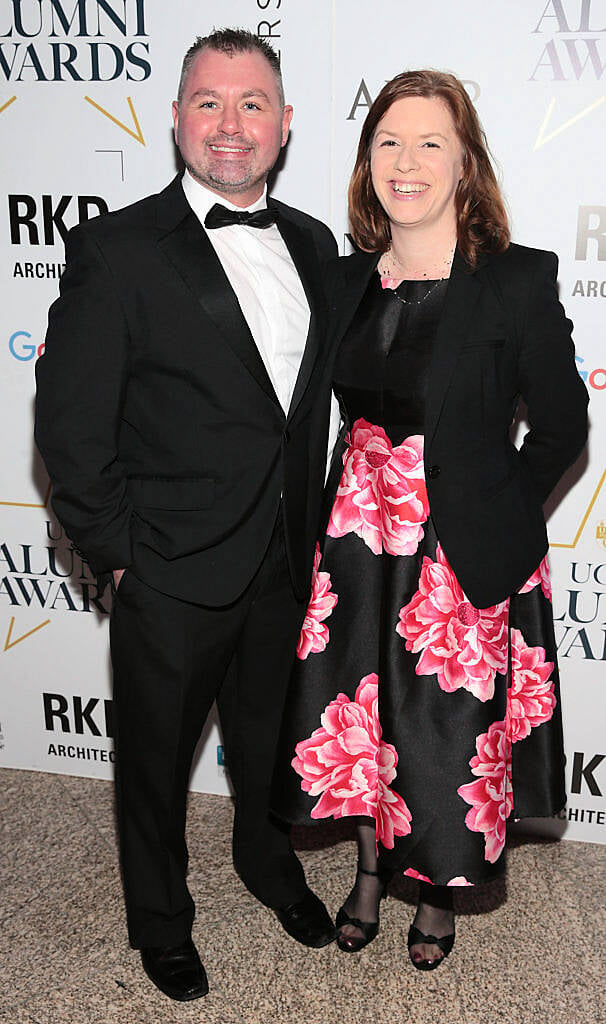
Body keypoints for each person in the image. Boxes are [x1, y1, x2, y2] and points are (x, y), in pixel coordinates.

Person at [34, 29, 339, 1003]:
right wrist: (124, 558)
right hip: (170, 571)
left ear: (284, 126)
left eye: (252, 103)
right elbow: (71, 431)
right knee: (156, 770)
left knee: (267, 747)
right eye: (208, 101)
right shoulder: (116, 250)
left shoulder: (315, 243)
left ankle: (266, 862)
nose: (230, 124)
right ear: (175, 119)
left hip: (288, 562)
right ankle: (160, 919)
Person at [273, 70, 588, 970]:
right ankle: (372, 870)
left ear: (464, 163)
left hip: (457, 544)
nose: (404, 163)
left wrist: (498, 508)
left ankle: (431, 889)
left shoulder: (513, 281)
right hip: (358, 543)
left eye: (428, 144)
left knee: (443, 728)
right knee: (363, 719)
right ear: (366, 159)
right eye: (387, 143)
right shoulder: (343, 281)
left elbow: (566, 423)